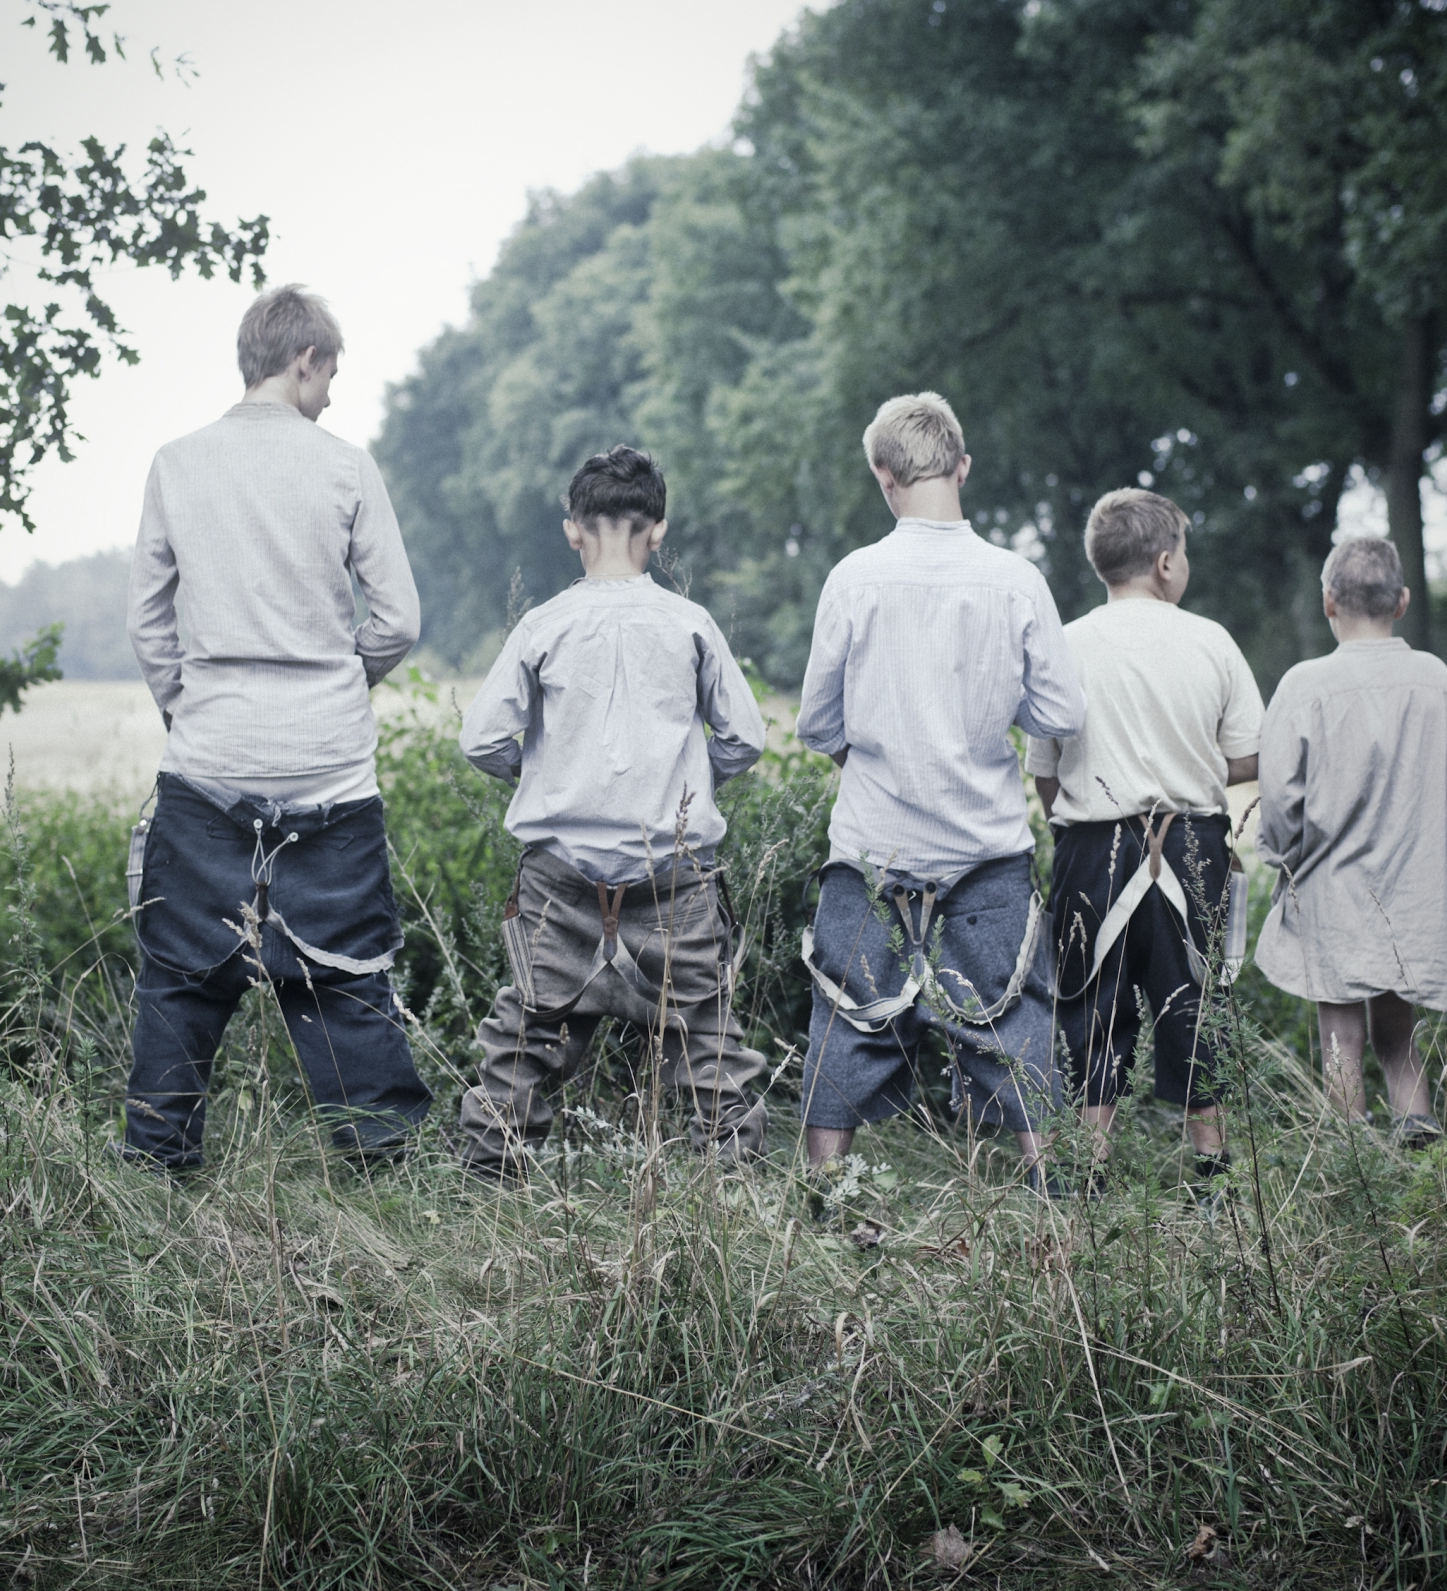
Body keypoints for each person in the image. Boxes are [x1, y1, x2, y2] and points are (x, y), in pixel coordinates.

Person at [122, 284, 433, 1170]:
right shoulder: (346, 466)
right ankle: (381, 1170)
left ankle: (156, 1170)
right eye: (329, 373)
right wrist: (341, 679)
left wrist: (191, 708)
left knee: (181, 979)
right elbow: (399, 621)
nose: (331, 394)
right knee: (347, 978)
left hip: (209, 759)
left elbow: (148, 621)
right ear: (304, 360)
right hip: (329, 766)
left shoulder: (175, 463)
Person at [795, 392, 1083, 1198]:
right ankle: (1051, 1195)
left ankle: (827, 1200)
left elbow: (818, 723)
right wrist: (989, 716)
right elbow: (1062, 712)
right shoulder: (1015, 580)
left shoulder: (854, 578)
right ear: (963, 466)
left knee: (847, 1019)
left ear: (882, 475)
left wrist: (867, 743)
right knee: (1014, 1018)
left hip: (871, 847)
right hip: (985, 848)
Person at [454, 446, 771, 1179]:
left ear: (573, 529)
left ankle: (488, 1188)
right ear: (656, 530)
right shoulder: (689, 623)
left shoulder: (543, 625)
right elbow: (746, 737)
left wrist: (538, 772)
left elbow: (480, 738)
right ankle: (733, 1195)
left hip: (559, 883)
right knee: (709, 1041)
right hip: (674, 880)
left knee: (524, 1038)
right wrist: (691, 780)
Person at [1028, 488, 1262, 1198]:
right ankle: (1211, 1165)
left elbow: (1044, 770)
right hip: (1190, 838)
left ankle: (1091, 1163)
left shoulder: (1064, 642)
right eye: (1182, 553)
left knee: (1089, 1002)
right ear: (1166, 563)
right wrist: (1188, 764)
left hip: (1090, 843)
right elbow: (1249, 755)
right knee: (1194, 998)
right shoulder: (1210, 638)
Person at [1254, 537, 1447, 1147]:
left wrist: (1285, 855)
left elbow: (1279, 796)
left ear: (1329, 603)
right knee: (1399, 1038)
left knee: (1340, 1037)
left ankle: (1357, 1170)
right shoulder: (1436, 682)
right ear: (1402, 601)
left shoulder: (1305, 684)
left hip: (1333, 888)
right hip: (1414, 886)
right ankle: (1423, 1153)